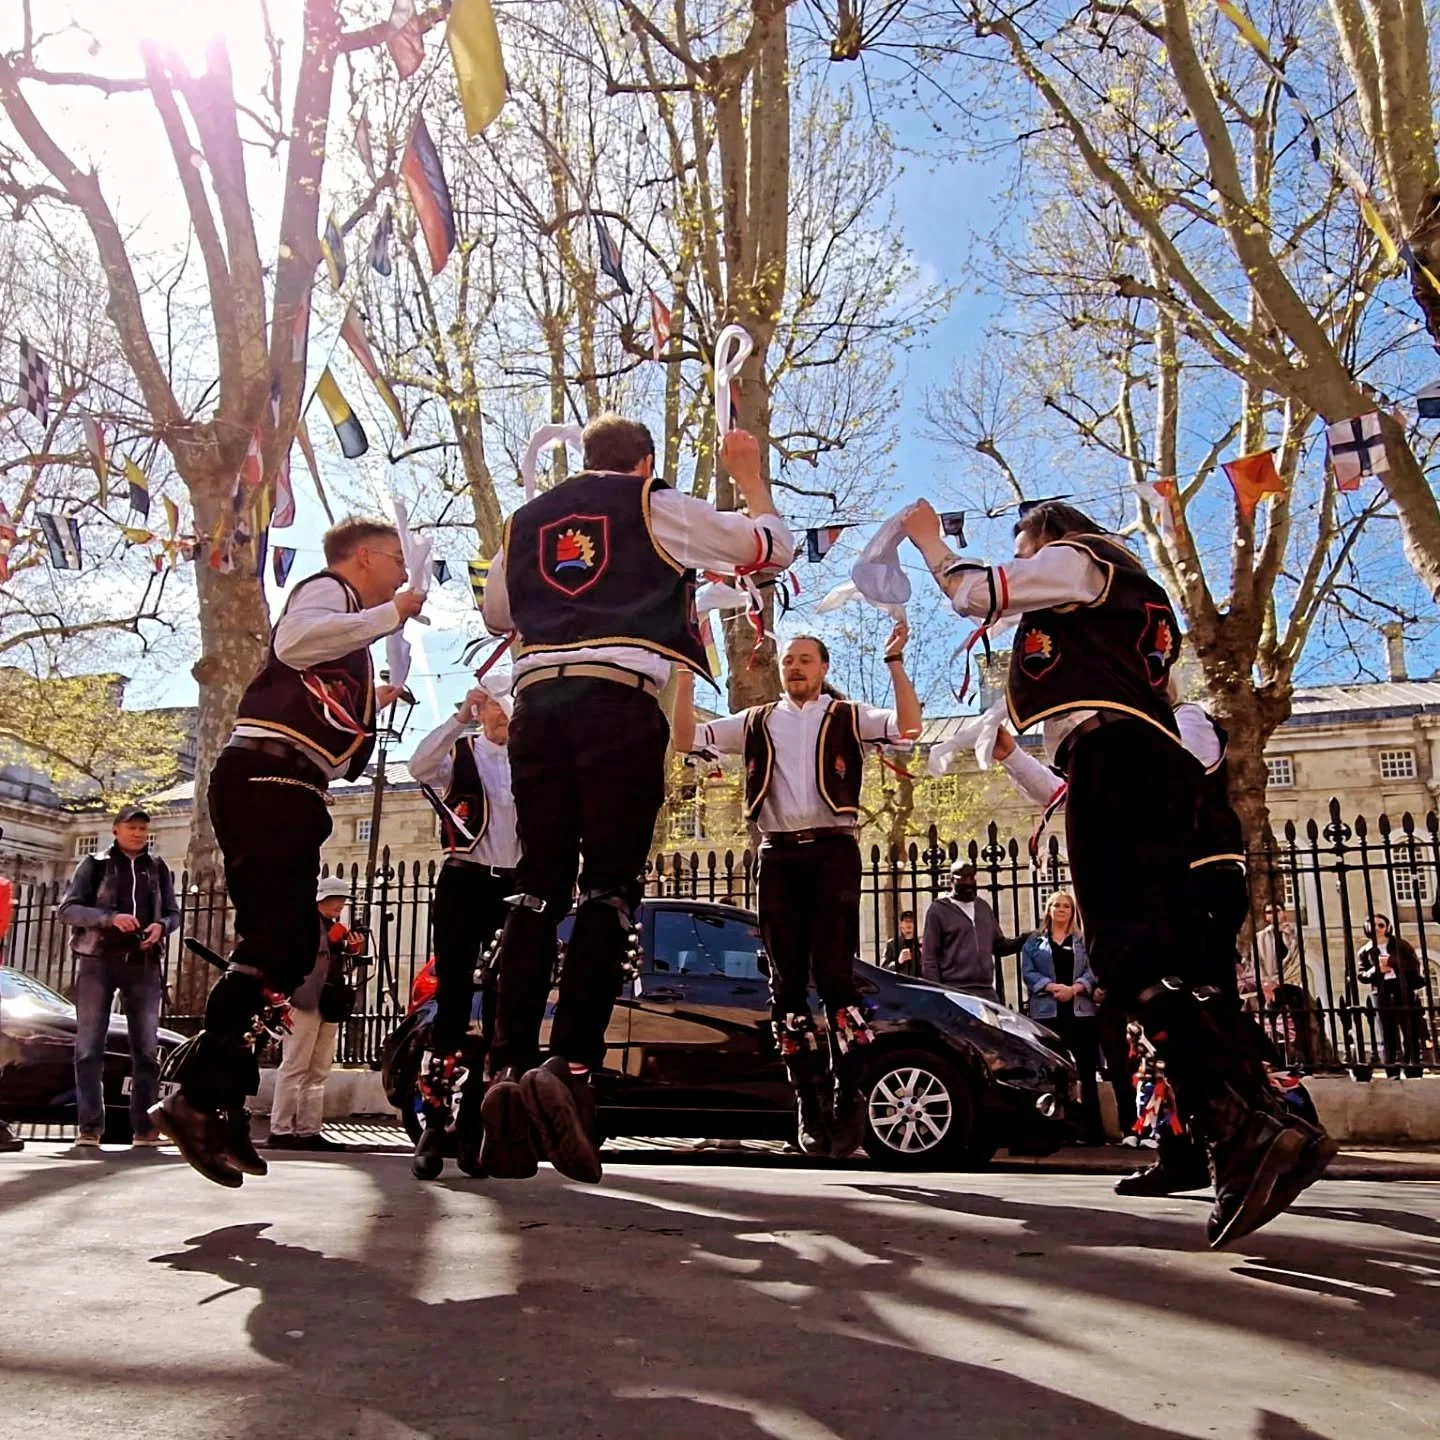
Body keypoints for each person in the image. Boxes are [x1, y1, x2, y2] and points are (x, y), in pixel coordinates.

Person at [901, 496, 1333, 1248]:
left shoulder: (1084, 562)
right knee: (1159, 969)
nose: (1024, 560)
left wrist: (931, 544)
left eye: (1024, 545)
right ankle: (1258, 1127)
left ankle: (1245, 1130)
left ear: (1052, 536)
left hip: (1117, 765)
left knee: (1129, 962)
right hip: (1126, 766)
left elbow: (976, 592)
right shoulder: (1122, 608)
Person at [476, 417, 793, 1184]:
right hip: (616, 700)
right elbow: (768, 548)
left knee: (536, 889)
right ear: (644, 461)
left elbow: (497, 616)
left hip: (535, 704)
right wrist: (749, 477)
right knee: (609, 890)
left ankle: (505, 1070)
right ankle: (570, 1066)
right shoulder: (654, 503)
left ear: (585, 458)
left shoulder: (524, 520)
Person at [152, 517, 421, 1187]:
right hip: (266, 779)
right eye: (397, 560)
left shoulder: (352, 636)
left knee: (289, 948)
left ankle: (218, 1100)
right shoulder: (328, 591)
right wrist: (392, 614)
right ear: (363, 558)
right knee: (277, 941)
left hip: (293, 786)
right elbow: (295, 643)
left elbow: (343, 754)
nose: (404, 573)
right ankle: (196, 1097)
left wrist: (372, 703)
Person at [674, 625, 922, 1157]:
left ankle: (848, 1092)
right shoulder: (758, 720)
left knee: (834, 976)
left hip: (833, 850)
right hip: (779, 854)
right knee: (785, 984)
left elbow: (909, 727)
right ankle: (809, 1098)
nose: (795, 668)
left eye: (806, 659)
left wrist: (895, 662)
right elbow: (685, 739)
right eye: (789, 660)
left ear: (823, 668)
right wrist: (684, 676)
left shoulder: (846, 715)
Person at [405, 678, 520, 1180]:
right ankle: (434, 1123)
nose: (504, 715)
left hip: (513, 888)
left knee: (502, 1010)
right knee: (452, 999)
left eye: (511, 706)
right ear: (481, 707)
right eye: (495, 705)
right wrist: (457, 720)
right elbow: (418, 766)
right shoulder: (462, 752)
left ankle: (475, 1125)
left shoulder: (535, 759)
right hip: (463, 881)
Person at [56, 804, 180, 1147]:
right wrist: (109, 918)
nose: (138, 834)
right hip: (98, 961)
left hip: (144, 963)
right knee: (89, 1047)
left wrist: (162, 926)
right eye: (131, 827)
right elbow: (68, 910)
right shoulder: (94, 864)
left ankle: (145, 1129)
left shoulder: (157, 867)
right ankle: (89, 1128)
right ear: (116, 830)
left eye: (143, 828)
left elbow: (174, 913)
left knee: (146, 1049)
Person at [267, 876, 363, 1152]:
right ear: (321, 899)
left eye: (342, 900)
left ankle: (309, 1129)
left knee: (319, 1068)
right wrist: (328, 941)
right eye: (335, 899)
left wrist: (350, 949)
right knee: (295, 1065)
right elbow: (298, 955)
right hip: (304, 1000)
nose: (340, 904)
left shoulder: (335, 926)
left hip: (329, 1001)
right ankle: (280, 1128)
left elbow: (336, 963)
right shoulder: (304, 924)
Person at [1021, 891, 1104, 1144]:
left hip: (1080, 1012)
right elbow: (1028, 972)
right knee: (1052, 1073)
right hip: (1048, 1012)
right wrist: (1050, 986)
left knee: (1086, 1072)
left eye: (1066, 906)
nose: (1061, 909)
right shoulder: (1034, 942)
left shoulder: (1082, 941)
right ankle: (1056, 1130)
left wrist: (1076, 988)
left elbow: (1093, 970)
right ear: (1048, 909)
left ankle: (1092, 1131)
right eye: (1056, 905)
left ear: (1072, 911)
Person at [921, 861, 1025, 1003]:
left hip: (986, 990)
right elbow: (929, 956)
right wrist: (937, 993)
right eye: (963, 879)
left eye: (971, 878)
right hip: (955, 989)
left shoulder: (983, 907)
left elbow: (999, 946)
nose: (968, 883)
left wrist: (1025, 938)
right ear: (952, 880)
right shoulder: (938, 910)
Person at [1357, 914, 1424, 1076]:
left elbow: (1413, 964)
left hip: (1402, 988)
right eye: (1372, 925)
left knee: (1409, 1030)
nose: (1377, 929)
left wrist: (1393, 962)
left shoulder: (1400, 945)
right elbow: (1361, 974)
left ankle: (1413, 1069)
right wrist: (1376, 970)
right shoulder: (1365, 950)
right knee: (1387, 1032)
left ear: (1387, 927)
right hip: (1381, 990)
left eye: (1381, 925)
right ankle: (1392, 1071)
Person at [881, 911, 918, 975]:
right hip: (899, 980)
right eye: (906, 921)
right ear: (901, 923)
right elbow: (883, 969)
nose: (909, 924)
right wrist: (898, 962)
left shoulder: (921, 944)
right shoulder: (892, 944)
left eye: (911, 921)